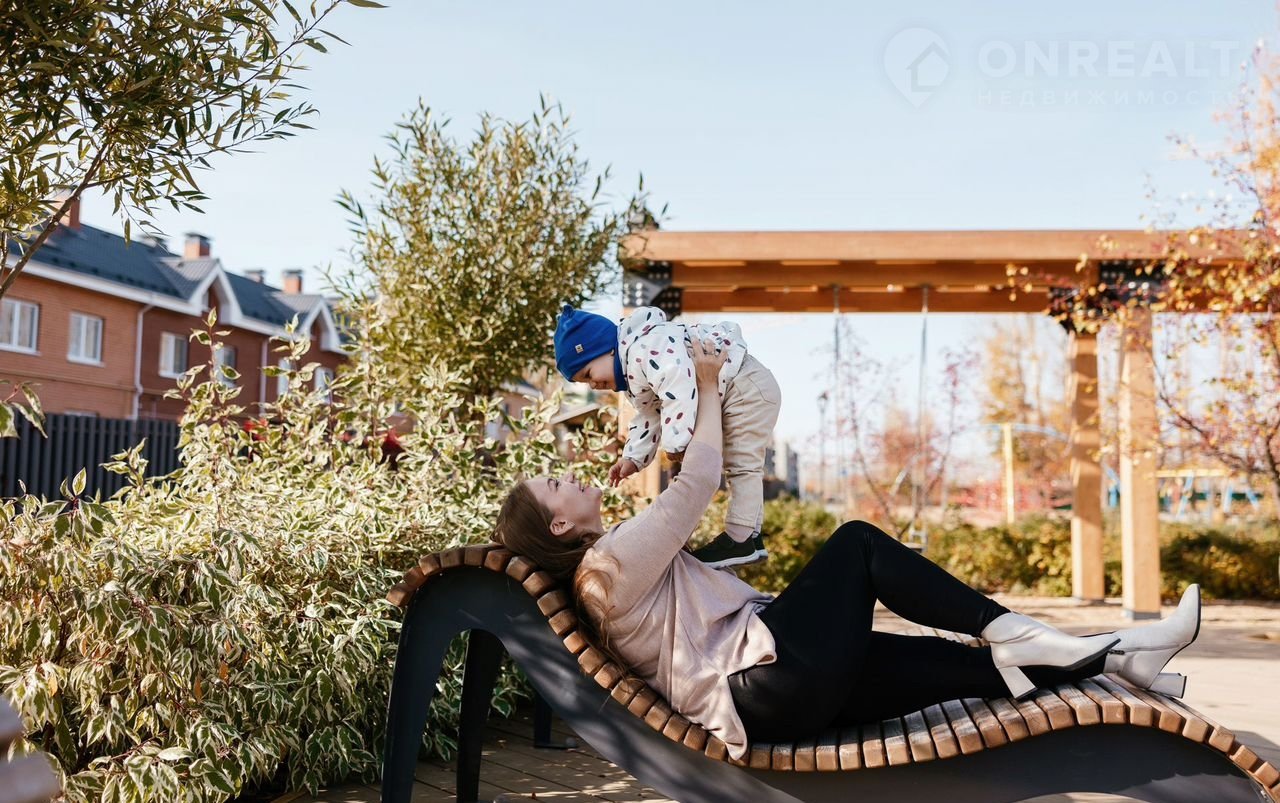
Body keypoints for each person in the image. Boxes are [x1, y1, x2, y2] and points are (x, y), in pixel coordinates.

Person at [498, 336, 1201, 761]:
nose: (571, 475)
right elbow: (700, 480)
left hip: (784, 691)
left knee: (964, 668)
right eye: (557, 484)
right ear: (558, 527)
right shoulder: (610, 564)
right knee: (857, 544)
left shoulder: (606, 573)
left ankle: (1125, 658)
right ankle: (1013, 627)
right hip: (766, 680)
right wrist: (706, 384)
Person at [553, 303, 778, 569]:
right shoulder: (635, 373)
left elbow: (678, 389)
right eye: (584, 382)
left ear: (607, 349)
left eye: (589, 374)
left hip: (745, 384)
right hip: (737, 389)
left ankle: (741, 537)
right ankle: (750, 537)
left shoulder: (646, 348)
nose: (593, 385)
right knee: (741, 465)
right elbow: (649, 415)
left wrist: (677, 442)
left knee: (742, 464)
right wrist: (633, 458)